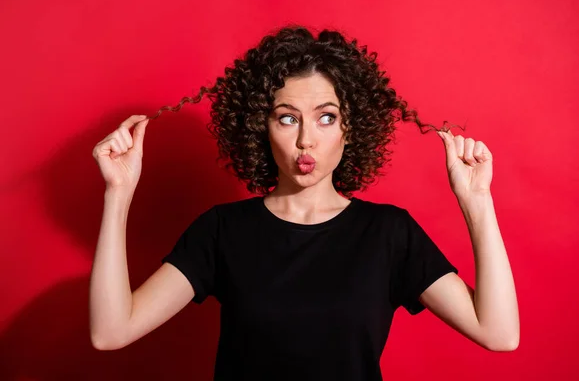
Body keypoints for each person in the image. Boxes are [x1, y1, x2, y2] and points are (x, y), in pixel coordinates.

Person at [90, 25, 519, 380]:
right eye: (288, 117)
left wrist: (477, 201)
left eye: (326, 117)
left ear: (351, 129)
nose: (305, 140)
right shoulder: (222, 230)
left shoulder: (388, 233)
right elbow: (110, 332)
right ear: (262, 125)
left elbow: (499, 334)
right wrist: (118, 193)